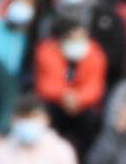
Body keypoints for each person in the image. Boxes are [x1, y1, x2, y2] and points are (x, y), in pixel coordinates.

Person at [34, 18, 108, 155]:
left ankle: (84, 163)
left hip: (82, 104)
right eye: (73, 38)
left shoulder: (95, 53)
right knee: (45, 114)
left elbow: (95, 86)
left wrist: (78, 98)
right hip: (55, 103)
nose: (78, 42)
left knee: (91, 119)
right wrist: (64, 96)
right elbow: (47, 85)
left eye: (82, 38)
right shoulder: (46, 51)